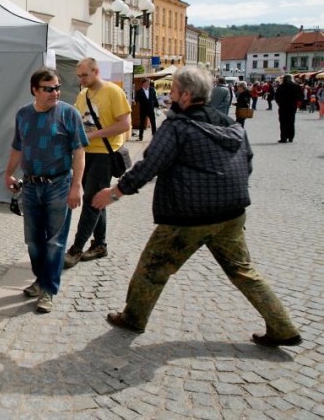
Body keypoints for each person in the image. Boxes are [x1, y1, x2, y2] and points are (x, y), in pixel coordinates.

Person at [92, 66, 301, 347]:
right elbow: (247, 161)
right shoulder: (229, 124)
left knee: (153, 267)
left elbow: (150, 164)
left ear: (186, 96)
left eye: (174, 91)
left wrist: (115, 192)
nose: (170, 96)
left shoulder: (178, 127)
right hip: (231, 214)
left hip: (187, 217)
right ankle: (283, 326)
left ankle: (133, 317)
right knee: (243, 270)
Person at [4, 68, 87, 313]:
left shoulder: (68, 113)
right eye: (49, 88)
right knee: (33, 241)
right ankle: (40, 280)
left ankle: (48, 289)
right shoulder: (23, 115)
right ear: (34, 90)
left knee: (55, 242)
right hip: (30, 186)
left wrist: (77, 185)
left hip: (59, 185)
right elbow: (18, 147)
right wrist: (9, 172)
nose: (55, 93)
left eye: (57, 88)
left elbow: (79, 151)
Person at [64, 57, 131, 269]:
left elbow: (124, 125)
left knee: (92, 199)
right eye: (79, 76)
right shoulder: (82, 95)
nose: (81, 79)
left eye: (85, 75)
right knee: (98, 199)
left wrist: (93, 136)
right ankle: (100, 244)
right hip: (86, 153)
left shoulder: (113, 91)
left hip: (104, 153)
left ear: (96, 71)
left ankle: (76, 248)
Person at [275, 74, 303, 143]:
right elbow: (301, 97)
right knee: (291, 122)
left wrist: (280, 104)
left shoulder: (281, 87)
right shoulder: (296, 86)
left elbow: (277, 97)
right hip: (292, 107)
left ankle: (283, 138)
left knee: (283, 122)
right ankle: (291, 137)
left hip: (283, 107)